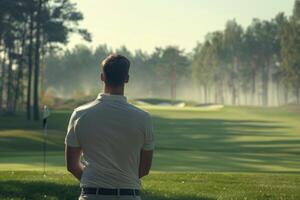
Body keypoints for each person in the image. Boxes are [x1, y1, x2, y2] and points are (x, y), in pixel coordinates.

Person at [65, 54, 154, 200]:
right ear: (126, 78)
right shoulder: (143, 118)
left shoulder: (80, 114)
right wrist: (123, 180)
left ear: (102, 77)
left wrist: (94, 181)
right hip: (128, 195)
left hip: (91, 195)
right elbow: (144, 169)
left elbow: (72, 165)